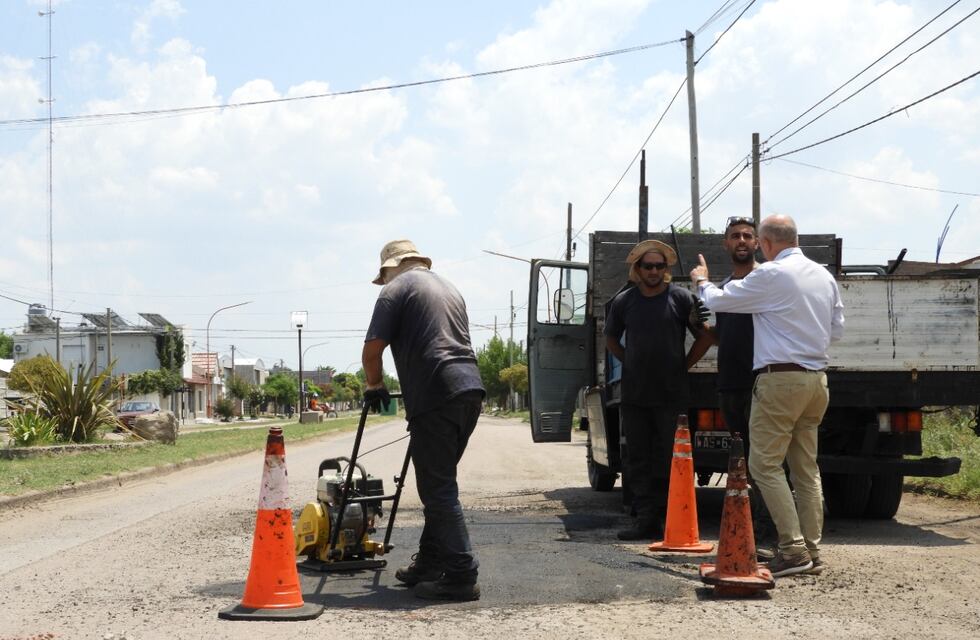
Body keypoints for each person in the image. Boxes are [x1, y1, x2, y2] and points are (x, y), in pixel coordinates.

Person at [690, 214, 844, 578]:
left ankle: (792, 550)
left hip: (780, 380)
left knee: (763, 466)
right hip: (816, 380)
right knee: (805, 469)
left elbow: (720, 300)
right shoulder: (823, 276)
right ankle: (811, 549)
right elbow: (836, 331)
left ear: (767, 243)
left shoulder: (771, 274)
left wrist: (701, 281)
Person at [362, 239, 486, 601]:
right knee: (439, 483)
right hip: (469, 389)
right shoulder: (449, 287)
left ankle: (461, 575)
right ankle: (430, 563)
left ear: (390, 268)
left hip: (435, 390)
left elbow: (372, 349)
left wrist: (375, 385)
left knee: (438, 488)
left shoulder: (395, 289)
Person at [604, 239, 713, 541]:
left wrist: (683, 365)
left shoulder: (680, 298)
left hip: (671, 395)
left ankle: (671, 519)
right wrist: (630, 361)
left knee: (671, 457)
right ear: (637, 269)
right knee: (638, 457)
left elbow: (705, 337)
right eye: (648, 266)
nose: (653, 271)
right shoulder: (624, 302)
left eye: (659, 266)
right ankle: (645, 520)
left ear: (666, 269)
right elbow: (610, 338)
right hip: (635, 395)